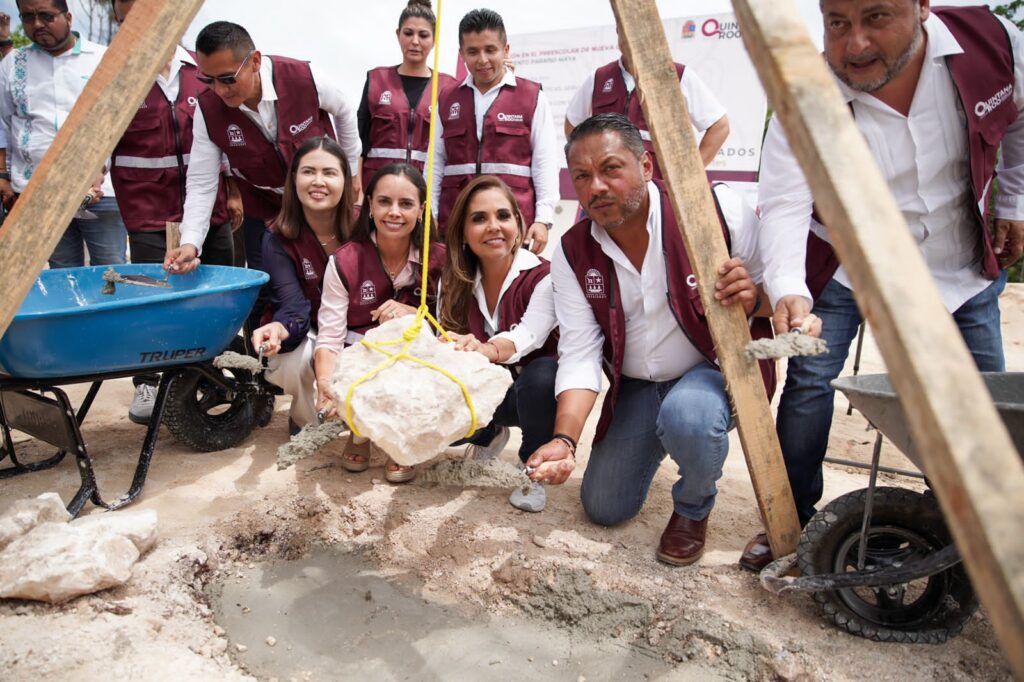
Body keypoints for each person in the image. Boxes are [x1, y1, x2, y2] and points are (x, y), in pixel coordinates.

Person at [741, 0, 1024, 572]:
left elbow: (1019, 118)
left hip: (960, 264)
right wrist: (791, 287)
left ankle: (975, 527)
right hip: (850, 265)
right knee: (809, 384)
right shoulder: (803, 91)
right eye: (837, 23)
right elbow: (788, 201)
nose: (855, 45)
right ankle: (789, 524)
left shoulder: (995, 42)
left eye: (878, 18)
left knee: (987, 402)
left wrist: (1014, 199)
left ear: (922, 7)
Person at [525, 113, 776, 566]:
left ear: (646, 166)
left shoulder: (714, 209)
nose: (596, 186)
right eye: (582, 176)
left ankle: (692, 506)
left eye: (610, 168)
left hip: (710, 374)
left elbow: (779, 297)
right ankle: (664, 435)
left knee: (690, 417)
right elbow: (580, 354)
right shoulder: (572, 251)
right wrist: (565, 439)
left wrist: (755, 298)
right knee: (603, 508)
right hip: (639, 387)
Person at [110, 0, 241, 425]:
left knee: (216, 296)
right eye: (128, 15)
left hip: (210, 210)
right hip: (147, 209)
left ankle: (216, 375)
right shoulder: (113, 79)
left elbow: (227, 137)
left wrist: (235, 190)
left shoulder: (200, 71)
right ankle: (150, 381)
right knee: (153, 298)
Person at [164, 20, 361, 276]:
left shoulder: (303, 78)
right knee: (268, 283)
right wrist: (190, 242)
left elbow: (345, 110)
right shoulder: (207, 109)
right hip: (264, 209)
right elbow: (202, 182)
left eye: (228, 79)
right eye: (208, 80)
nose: (220, 90)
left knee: (336, 274)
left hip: (321, 203)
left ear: (255, 61)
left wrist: (351, 172)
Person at [314, 163, 445, 484]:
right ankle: (359, 431)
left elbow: (449, 330)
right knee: (352, 358)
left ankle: (403, 440)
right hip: (359, 357)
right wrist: (325, 384)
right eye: (384, 201)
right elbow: (329, 337)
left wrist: (415, 316)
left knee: (412, 342)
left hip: (414, 358)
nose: (394, 212)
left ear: (422, 209)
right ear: (369, 205)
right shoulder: (344, 261)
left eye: (406, 204)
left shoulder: (440, 259)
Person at [439, 175, 558, 512]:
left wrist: (485, 349)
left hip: (537, 395)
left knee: (544, 375)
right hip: (492, 392)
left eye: (503, 216)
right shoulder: (452, 280)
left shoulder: (545, 275)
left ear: (519, 226)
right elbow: (444, 340)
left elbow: (529, 334)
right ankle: (487, 435)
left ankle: (532, 465)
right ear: (463, 231)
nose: (493, 226)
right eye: (479, 218)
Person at [0, 0, 127, 268]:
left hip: (99, 193)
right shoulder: (13, 63)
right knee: (62, 276)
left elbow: (120, 122)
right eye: (28, 17)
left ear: (68, 17)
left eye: (46, 16)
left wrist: (98, 169)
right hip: (39, 192)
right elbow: (3, 123)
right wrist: (2, 175)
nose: (37, 24)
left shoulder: (103, 59)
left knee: (111, 273)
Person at [431, 8, 559, 251]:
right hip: (458, 225)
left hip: (512, 224)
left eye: (490, 50)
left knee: (511, 289)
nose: (482, 60)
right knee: (458, 288)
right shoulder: (447, 98)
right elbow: (436, 162)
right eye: (473, 52)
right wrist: (431, 212)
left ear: (506, 50)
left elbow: (545, 161)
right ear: (462, 54)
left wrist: (544, 219)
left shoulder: (531, 97)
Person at [250, 136, 354, 436]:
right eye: (308, 171)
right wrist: (280, 330)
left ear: (345, 181)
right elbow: (294, 306)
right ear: (293, 179)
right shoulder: (276, 237)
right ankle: (304, 415)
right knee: (299, 361)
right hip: (306, 328)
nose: (318, 181)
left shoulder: (363, 227)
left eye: (329, 173)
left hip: (355, 326)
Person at [563, 28, 730, 172]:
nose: (630, 39)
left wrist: (692, 174)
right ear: (617, 32)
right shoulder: (599, 78)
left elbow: (719, 126)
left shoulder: (677, 76)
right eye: (624, 32)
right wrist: (591, 165)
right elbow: (572, 124)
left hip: (660, 191)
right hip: (609, 191)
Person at [358, 0, 456, 190]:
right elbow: (359, 143)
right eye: (408, 33)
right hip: (377, 190)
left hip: (422, 193)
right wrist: (359, 192)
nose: (415, 42)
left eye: (423, 35)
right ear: (398, 34)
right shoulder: (376, 80)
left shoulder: (448, 87)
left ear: (434, 39)